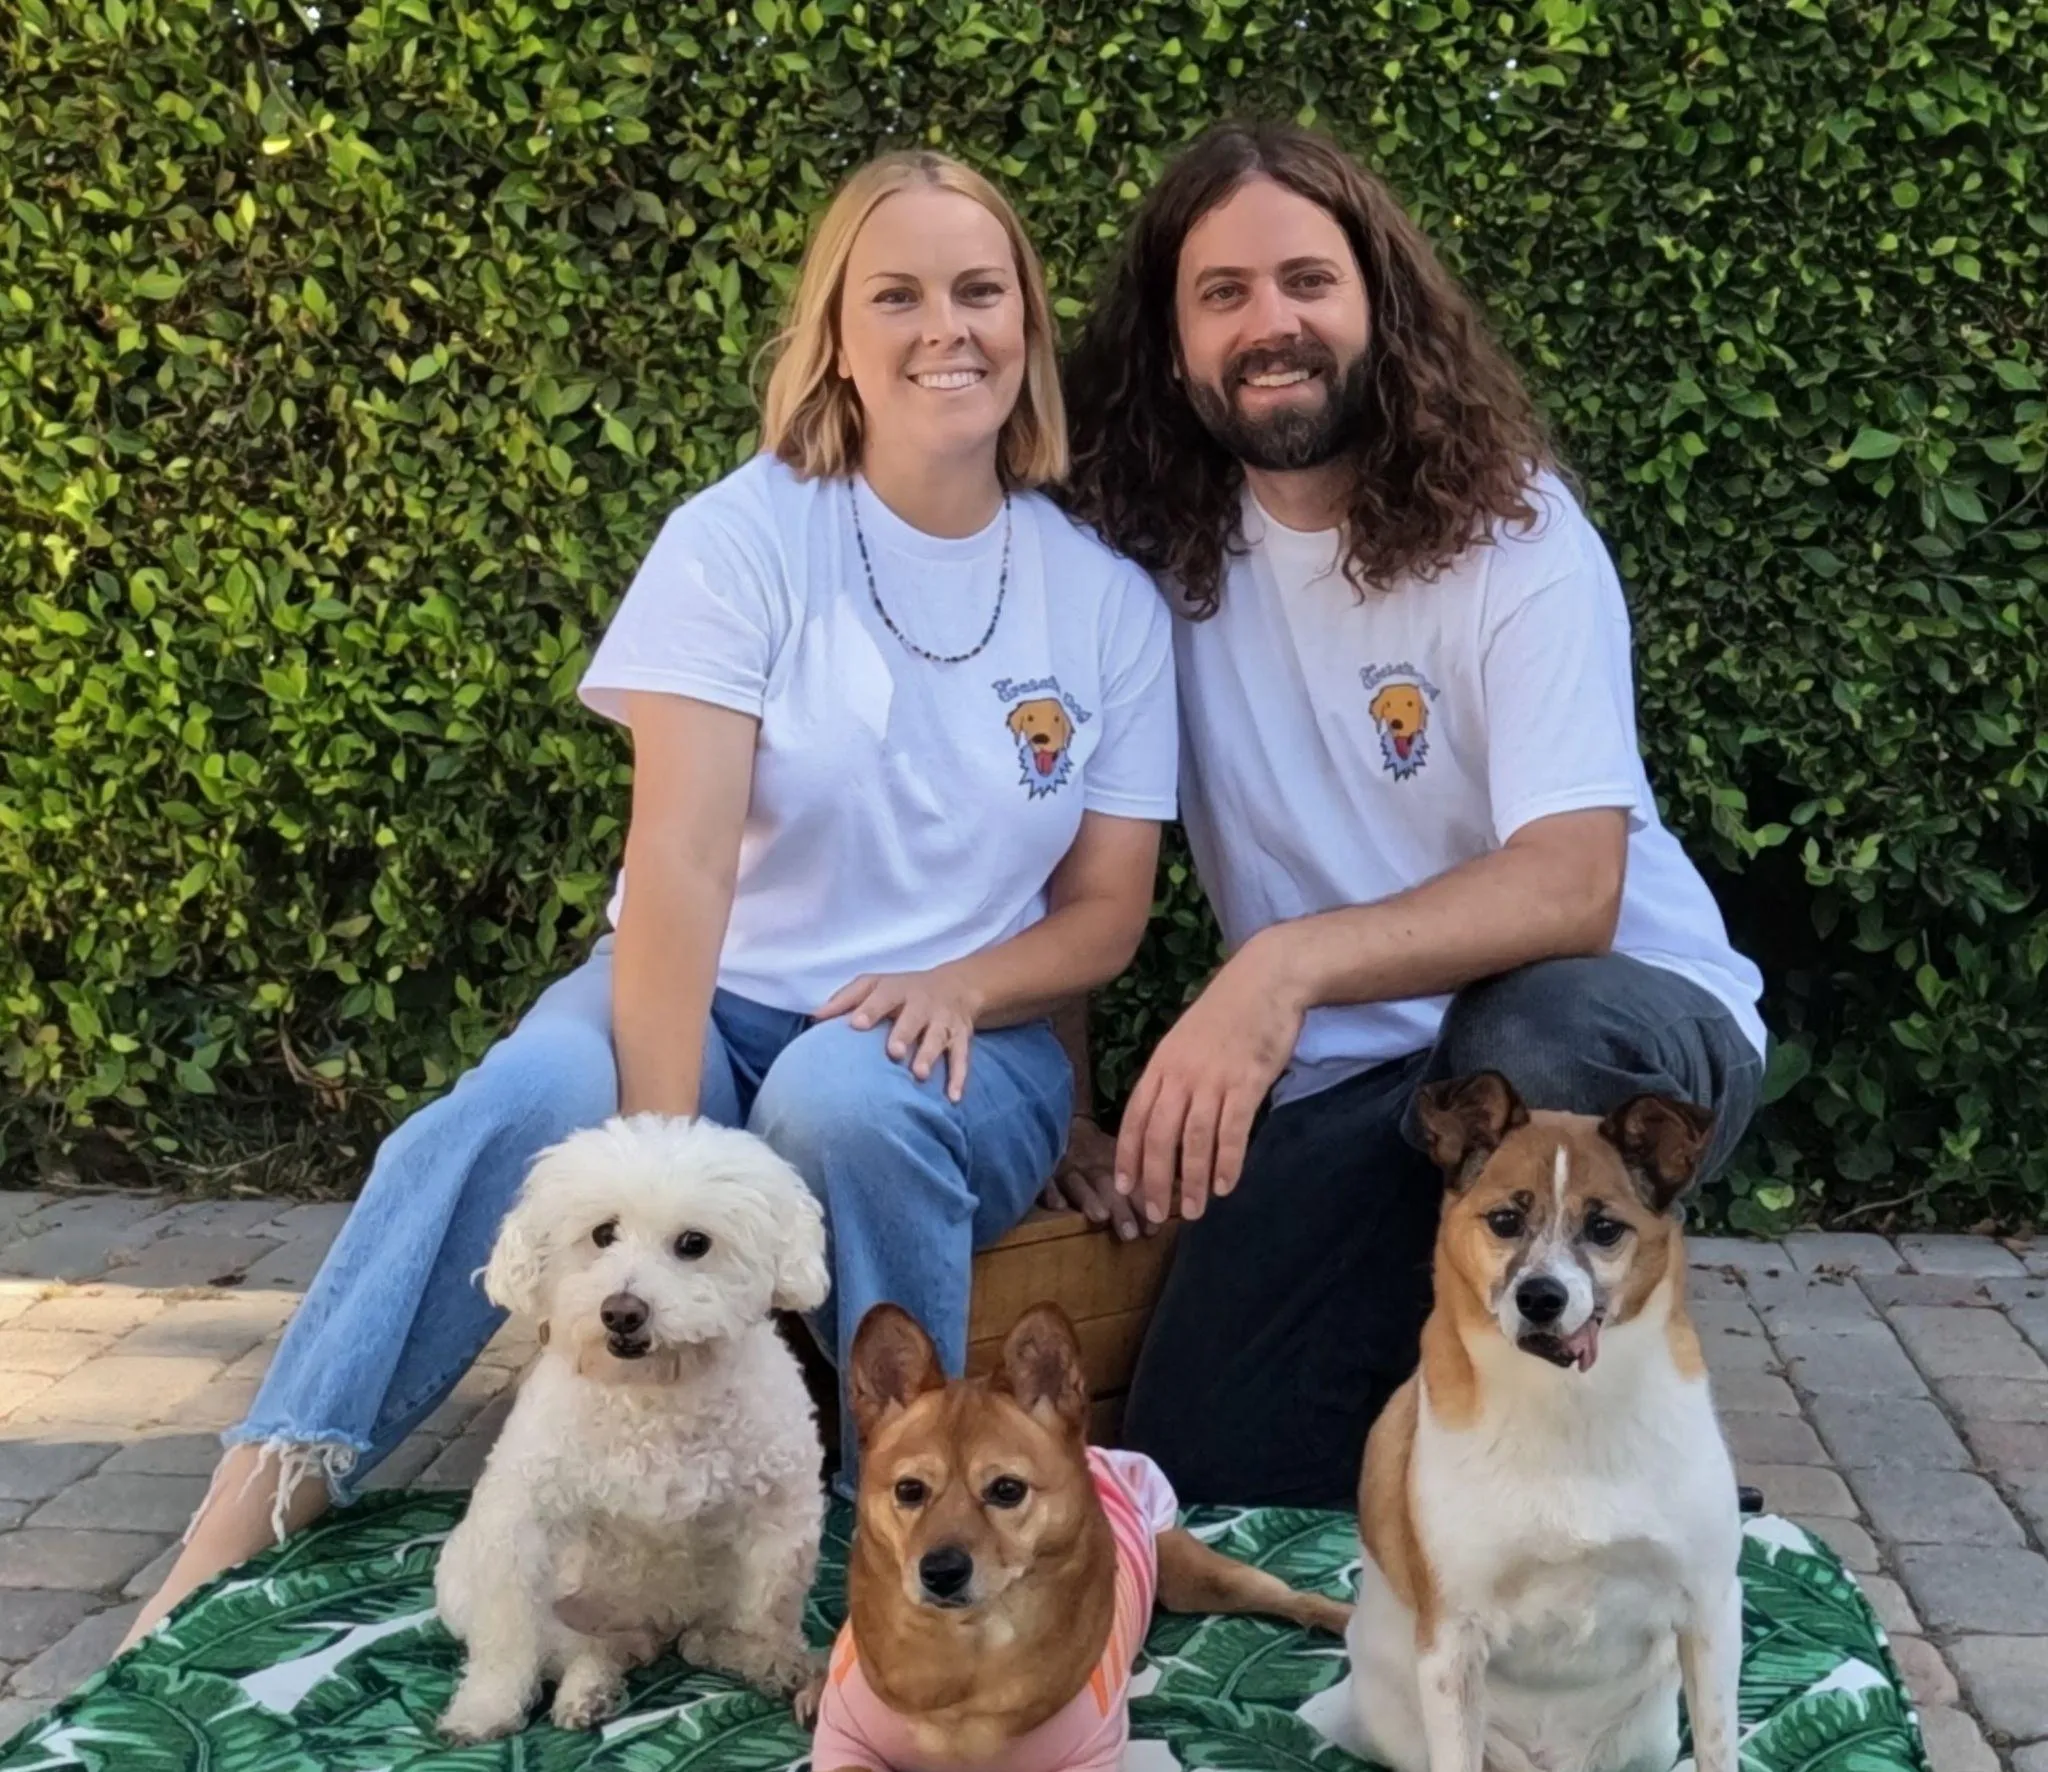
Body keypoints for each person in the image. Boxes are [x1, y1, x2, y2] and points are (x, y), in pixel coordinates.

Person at [123, 150, 1177, 1648]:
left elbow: (1107, 915)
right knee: (518, 1104)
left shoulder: (1105, 600)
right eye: (898, 294)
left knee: (845, 1101)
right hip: (714, 986)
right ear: (835, 334)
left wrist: (967, 988)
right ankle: (245, 1515)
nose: (945, 327)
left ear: (1026, 323)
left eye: (978, 290)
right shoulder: (742, 540)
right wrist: (665, 1167)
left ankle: (922, 1574)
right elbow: (679, 864)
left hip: (957, 1041)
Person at [1050, 122, 1765, 1509]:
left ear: (1379, 299)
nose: (1274, 324)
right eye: (1225, 294)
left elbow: (1573, 886)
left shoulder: (1517, 534)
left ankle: (1619, 1478)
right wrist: (1066, 1114)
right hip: (1370, 1090)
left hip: (1626, 1026)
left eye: (1309, 280)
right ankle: (1474, 1438)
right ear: (1171, 340)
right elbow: (1056, 842)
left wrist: (1285, 964)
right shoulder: (1141, 558)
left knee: (1527, 1038)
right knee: (1205, 1460)